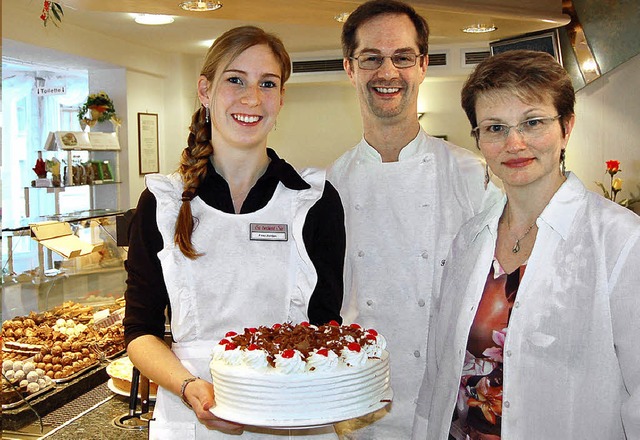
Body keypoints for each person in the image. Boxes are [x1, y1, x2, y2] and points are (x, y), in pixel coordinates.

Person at [123, 26, 346, 439]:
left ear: (281, 99)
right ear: (205, 91)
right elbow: (140, 332)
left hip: (293, 418)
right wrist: (190, 388)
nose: (251, 98)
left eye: (267, 83)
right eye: (235, 80)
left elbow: (325, 326)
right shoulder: (163, 203)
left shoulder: (314, 201)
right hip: (190, 415)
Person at [413, 49, 640, 440]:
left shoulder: (620, 240)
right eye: (495, 128)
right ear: (480, 139)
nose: (514, 143)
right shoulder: (469, 239)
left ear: (566, 127)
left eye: (532, 122)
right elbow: (441, 372)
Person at [327, 1, 500, 438]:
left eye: (402, 57)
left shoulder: (474, 176)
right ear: (351, 68)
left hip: (446, 405)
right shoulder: (326, 186)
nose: (388, 72)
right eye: (371, 58)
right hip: (355, 403)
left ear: (422, 65)